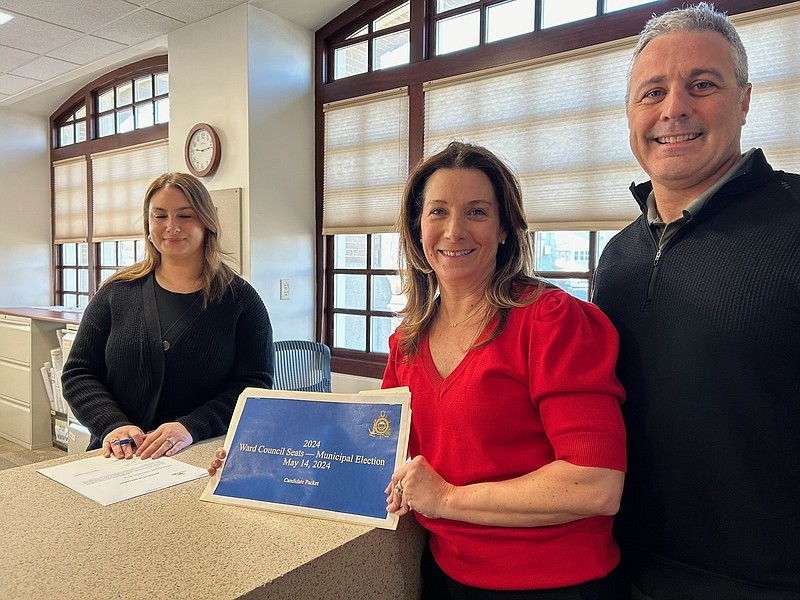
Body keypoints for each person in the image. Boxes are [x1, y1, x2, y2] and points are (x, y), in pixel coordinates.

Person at [592, 4, 800, 599]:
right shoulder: (618, 258)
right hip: (627, 570)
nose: (673, 108)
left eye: (702, 85)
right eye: (651, 92)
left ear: (745, 100)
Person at [383, 141, 627, 598]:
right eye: (438, 212)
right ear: (418, 230)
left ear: (503, 230)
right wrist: (256, 456)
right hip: (444, 575)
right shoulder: (407, 342)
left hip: (556, 583)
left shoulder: (551, 321)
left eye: (476, 212)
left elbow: (595, 483)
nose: (454, 231)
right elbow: (378, 452)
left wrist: (447, 499)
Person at [62, 172, 274, 460]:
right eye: (159, 216)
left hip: (200, 454)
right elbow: (78, 373)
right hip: (120, 458)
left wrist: (190, 427)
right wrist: (113, 423)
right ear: (148, 225)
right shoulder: (115, 293)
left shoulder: (240, 300)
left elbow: (254, 385)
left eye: (185, 215)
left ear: (206, 221)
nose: (171, 227)